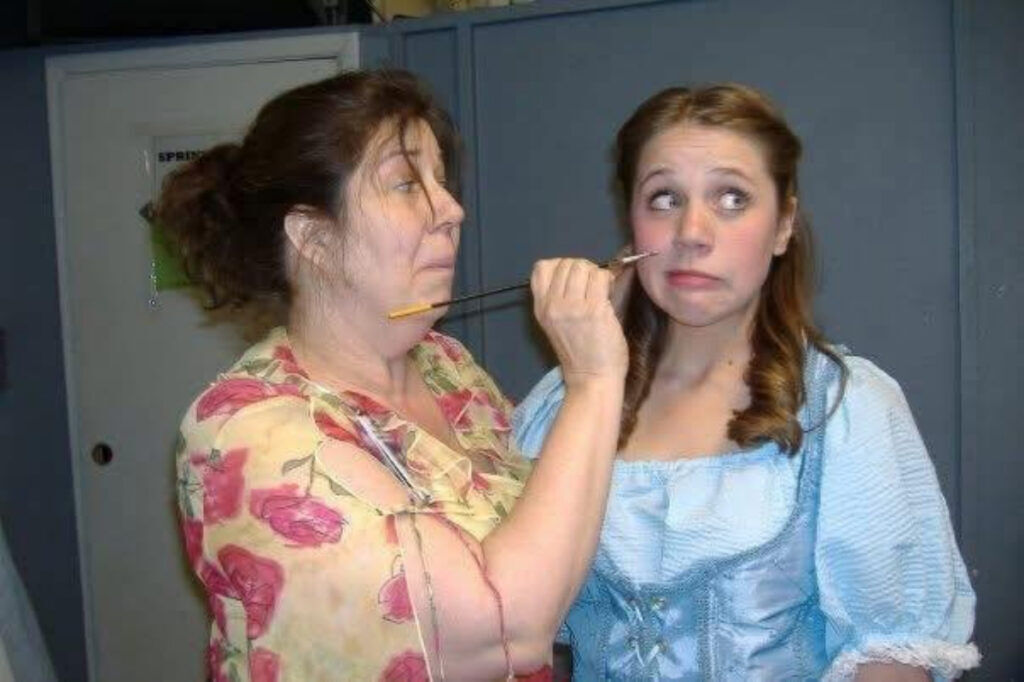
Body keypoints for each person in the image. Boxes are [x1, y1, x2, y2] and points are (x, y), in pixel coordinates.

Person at [159, 69, 627, 681]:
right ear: (314, 239)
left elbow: (554, 539)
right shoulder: (244, 431)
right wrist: (592, 380)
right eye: (407, 183)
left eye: (441, 180)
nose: (452, 210)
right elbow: (504, 636)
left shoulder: (447, 367)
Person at [513, 84, 980, 680]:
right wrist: (590, 379)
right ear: (631, 226)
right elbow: (518, 629)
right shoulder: (563, 402)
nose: (691, 231)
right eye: (662, 198)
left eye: (732, 198)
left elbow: (891, 656)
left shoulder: (846, 408)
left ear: (783, 225)